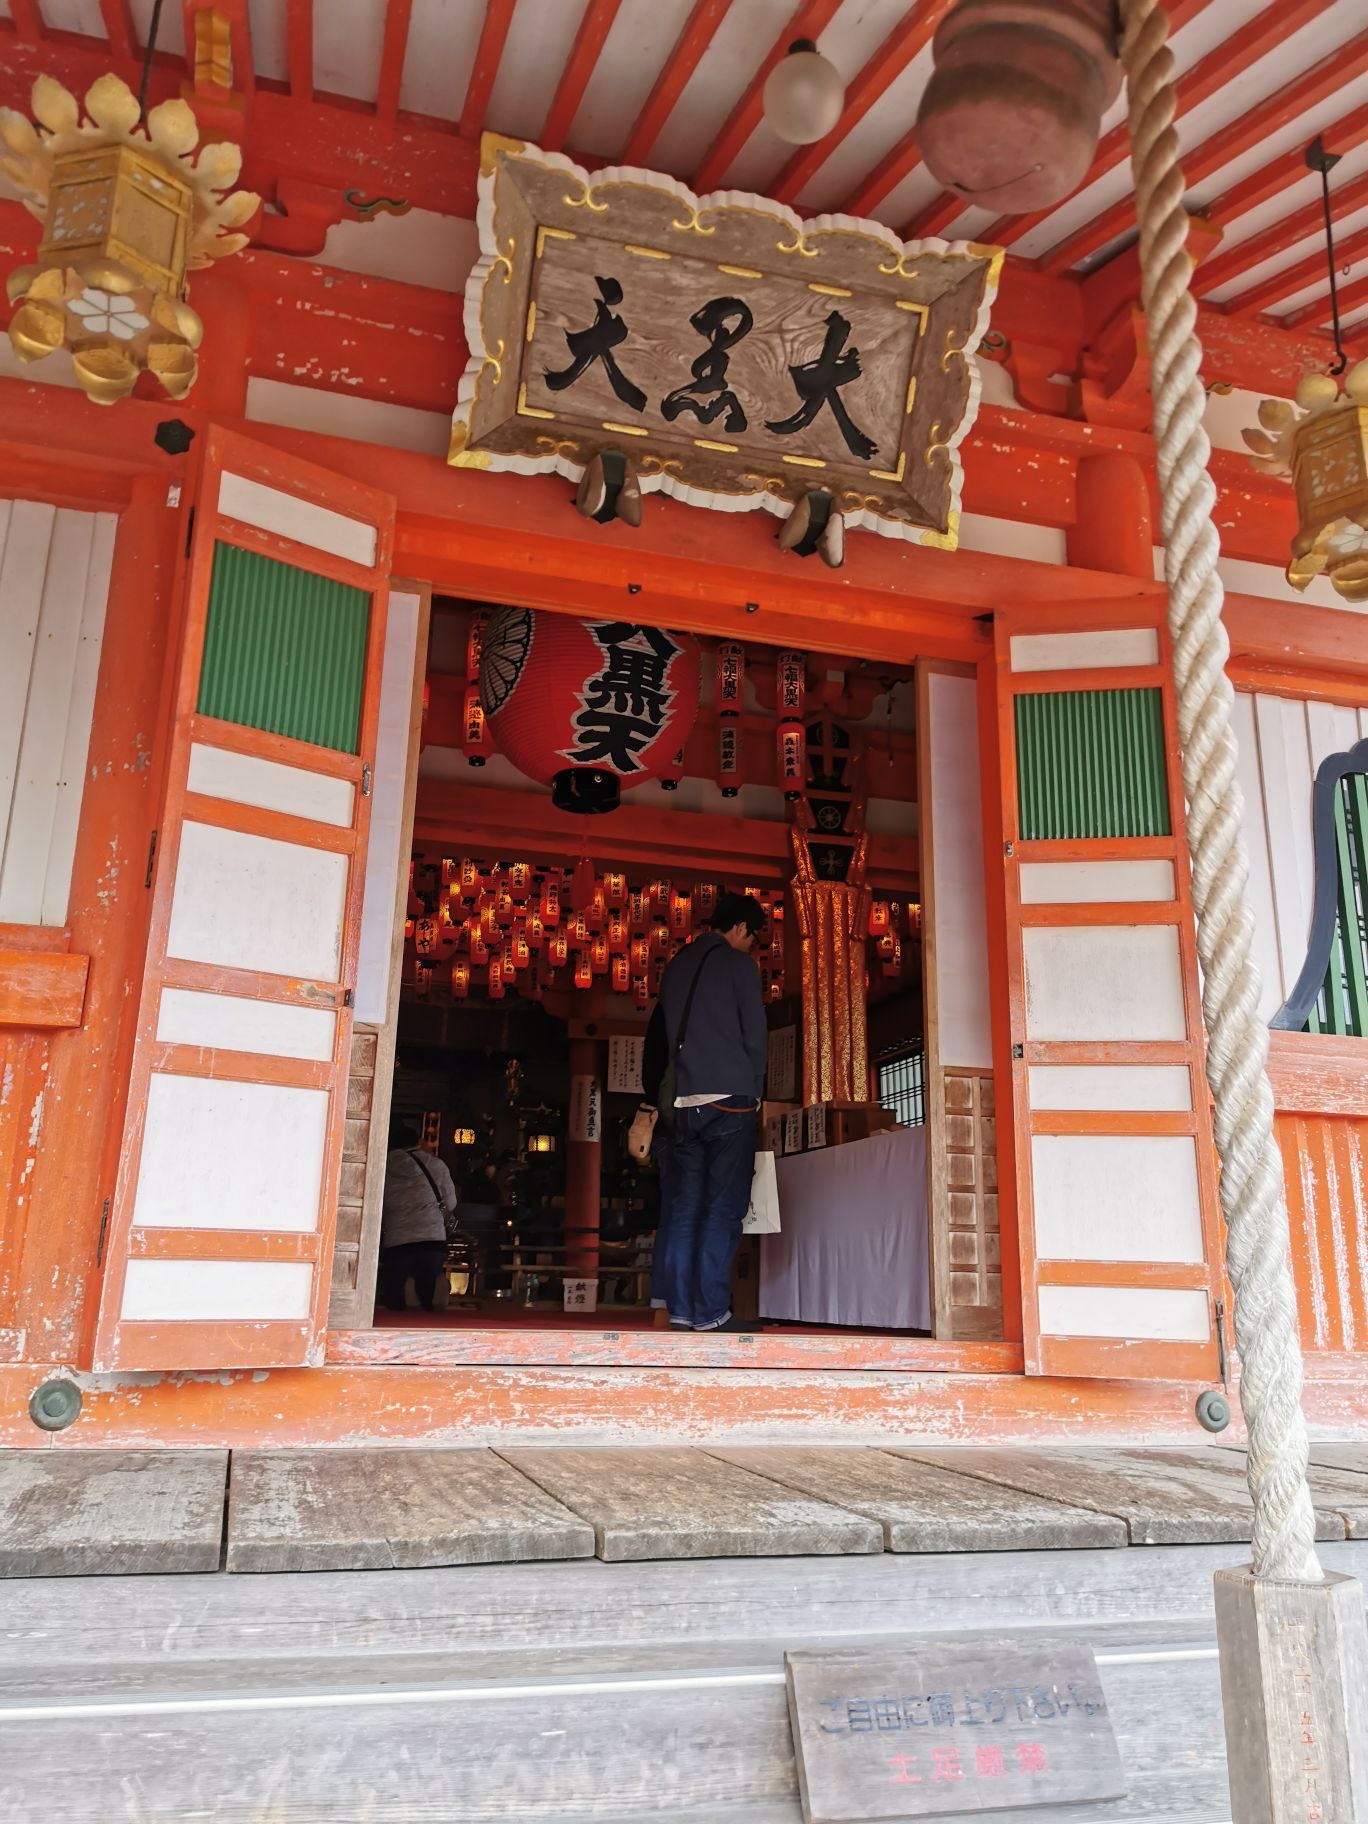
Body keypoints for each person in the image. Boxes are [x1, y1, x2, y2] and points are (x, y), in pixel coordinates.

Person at [652, 891, 767, 1332]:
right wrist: (755, 1091)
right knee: (722, 1209)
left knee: (685, 1210)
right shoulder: (739, 966)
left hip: (685, 1100)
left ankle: (681, 1311)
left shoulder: (678, 966)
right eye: (753, 938)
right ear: (740, 928)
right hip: (730, 1100)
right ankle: (713, 1312)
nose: (751, 947)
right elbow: (754, 1035)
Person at [377, 1117, 456, 1312]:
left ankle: (402, 1301)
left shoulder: (381, 1167)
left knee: (396, 1297)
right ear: (418, 1142)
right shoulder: (437, 1165)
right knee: (427, 1290)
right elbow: (451, 1202)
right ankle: (430, 1300)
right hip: (431, 1237)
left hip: (397, 1238)